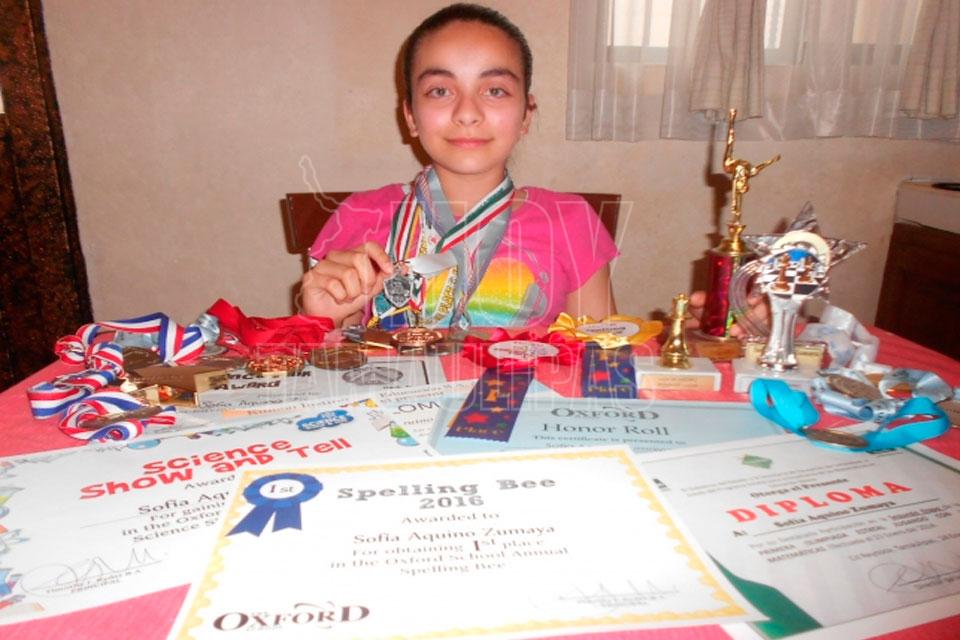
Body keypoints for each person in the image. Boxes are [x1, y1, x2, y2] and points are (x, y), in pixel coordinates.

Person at [300, 3, 618, 330]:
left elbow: (602, 356)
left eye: (495, 91)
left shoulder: (571, 222)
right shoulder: (357, 217)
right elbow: (331, 357)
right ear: (410, 116)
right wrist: (323, 321)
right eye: (440, 91)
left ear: (526, 115)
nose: (467, 113)